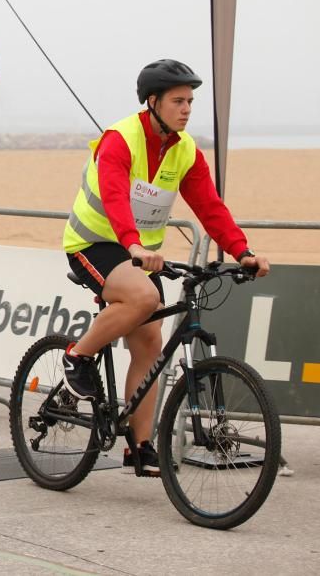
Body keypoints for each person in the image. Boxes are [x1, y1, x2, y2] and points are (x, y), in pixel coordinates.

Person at [60, 59, 270, 475]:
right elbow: (116, 197)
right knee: (143, 296)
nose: (187, 108)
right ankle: (77, 357)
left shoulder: (185, 148)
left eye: (191, 101)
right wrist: (133, 245)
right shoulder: (120, 139)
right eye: (178, 100)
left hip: (140, 253)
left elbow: (210, 207)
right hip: (94, 242)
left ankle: (138, 446)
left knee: (150, 344)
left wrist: (242, 251)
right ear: (152, 102)